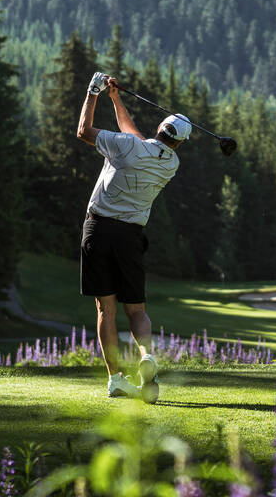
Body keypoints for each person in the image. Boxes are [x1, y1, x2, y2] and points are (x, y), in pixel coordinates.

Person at [76, 71, 190, 403]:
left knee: (105, 310)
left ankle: (115, 379)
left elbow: (83, 131)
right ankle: (146, 355)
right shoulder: (171, 163)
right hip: (131, 237)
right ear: (178, 142)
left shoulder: (127, 147)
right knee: (136, 310)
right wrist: (116, 98)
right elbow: (136, 138)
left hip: (98, 230)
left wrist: (94, 91)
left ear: (159, 129)